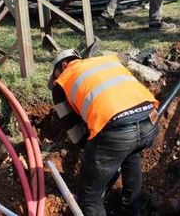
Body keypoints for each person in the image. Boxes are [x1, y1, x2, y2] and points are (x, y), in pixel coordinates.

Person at [48, 49, 160, 216]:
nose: (57, 80)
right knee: (131, 156)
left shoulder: (62, 82)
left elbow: (74, 130)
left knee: (89, 197)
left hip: (117, 130)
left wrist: (96, 157)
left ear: (64, 65)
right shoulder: (105, 62)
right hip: (150, 120)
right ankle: (131, 212)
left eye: (56, 75)